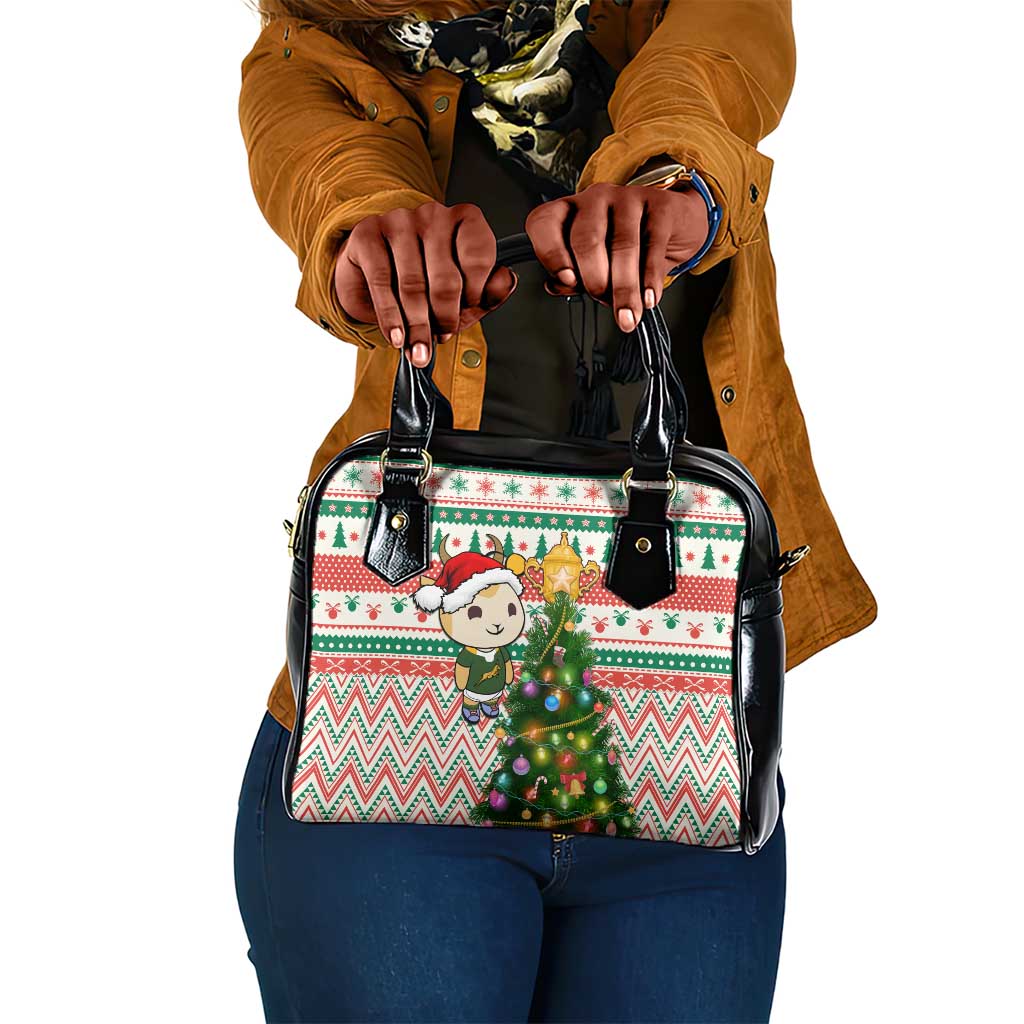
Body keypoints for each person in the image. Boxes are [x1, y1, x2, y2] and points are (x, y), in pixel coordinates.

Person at [234, 3, 877, 1021]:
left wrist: (673, 180)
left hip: (683, 780)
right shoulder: (317, 37)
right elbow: (323, 155)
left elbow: (709, 68)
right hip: (388, 783)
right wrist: (370, 234)